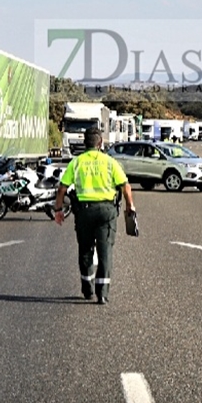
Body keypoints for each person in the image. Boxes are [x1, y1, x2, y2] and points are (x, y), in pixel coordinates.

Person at [55, 127, 136, 305]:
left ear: (85, 143)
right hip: (106, 212)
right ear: (100, 143)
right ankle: (102, 293)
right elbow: (125, 186)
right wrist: (130, 207)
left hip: (84, 212)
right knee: (105, 250)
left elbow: (62, 188)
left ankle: (87, 288)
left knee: (85, 250)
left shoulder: (76, 163)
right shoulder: (110, 162)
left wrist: (58, 210)